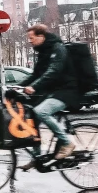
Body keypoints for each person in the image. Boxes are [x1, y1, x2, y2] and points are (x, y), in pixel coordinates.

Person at [18, 24, 78, 170]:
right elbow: (36, 74)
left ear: (41, 36)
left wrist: (34, 87)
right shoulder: (43, 51)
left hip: (67, 90)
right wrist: (17, 87)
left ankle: (66, 142)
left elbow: (53, 71)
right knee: (33, 118)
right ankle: (37, 157)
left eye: (31, 38)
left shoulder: (58, 48)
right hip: (54, 91)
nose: (30, 41)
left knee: (41, 111)